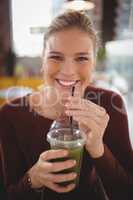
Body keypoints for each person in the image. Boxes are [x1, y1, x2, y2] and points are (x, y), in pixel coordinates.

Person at [0, 11, 133, 200]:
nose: (68, 71)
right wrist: (33, 179)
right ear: (43, 60)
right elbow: (8, 193)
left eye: (81, 58)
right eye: (56, 57)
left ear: (94, 63)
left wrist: (97, 148)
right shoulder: (10, 114)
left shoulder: (110, 106)